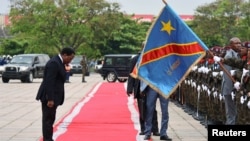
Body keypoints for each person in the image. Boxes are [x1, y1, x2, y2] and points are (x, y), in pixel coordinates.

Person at [36, 47, 75, 141]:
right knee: (48, 120)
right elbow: (50, 81)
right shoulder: (54, 63)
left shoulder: (59, 62)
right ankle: (47, 139)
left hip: (54, 96)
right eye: (70, 58)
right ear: (64, 55)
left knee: (50, 119)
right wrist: (50, 99)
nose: (70, 61)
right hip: (49, 97)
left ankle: (49, 138)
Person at [127, 42, 160, 136]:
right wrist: (130, 89)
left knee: (152, 109)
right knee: (142, 108)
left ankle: (155, 128)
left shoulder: (153, 58)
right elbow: (131, 75)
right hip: (139, 88)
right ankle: (143, 128)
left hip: (150, 87)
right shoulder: (136, 59)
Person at [213, 37, 243, 125]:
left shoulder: (237, 55)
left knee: (236, 113)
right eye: (236, 43)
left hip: (235, 89)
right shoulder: (229, 56)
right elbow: (228, 75)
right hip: (230, 89)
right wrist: (232, 90)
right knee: (231, 114)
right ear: (231, 45)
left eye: (239, 43)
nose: (239, 45)